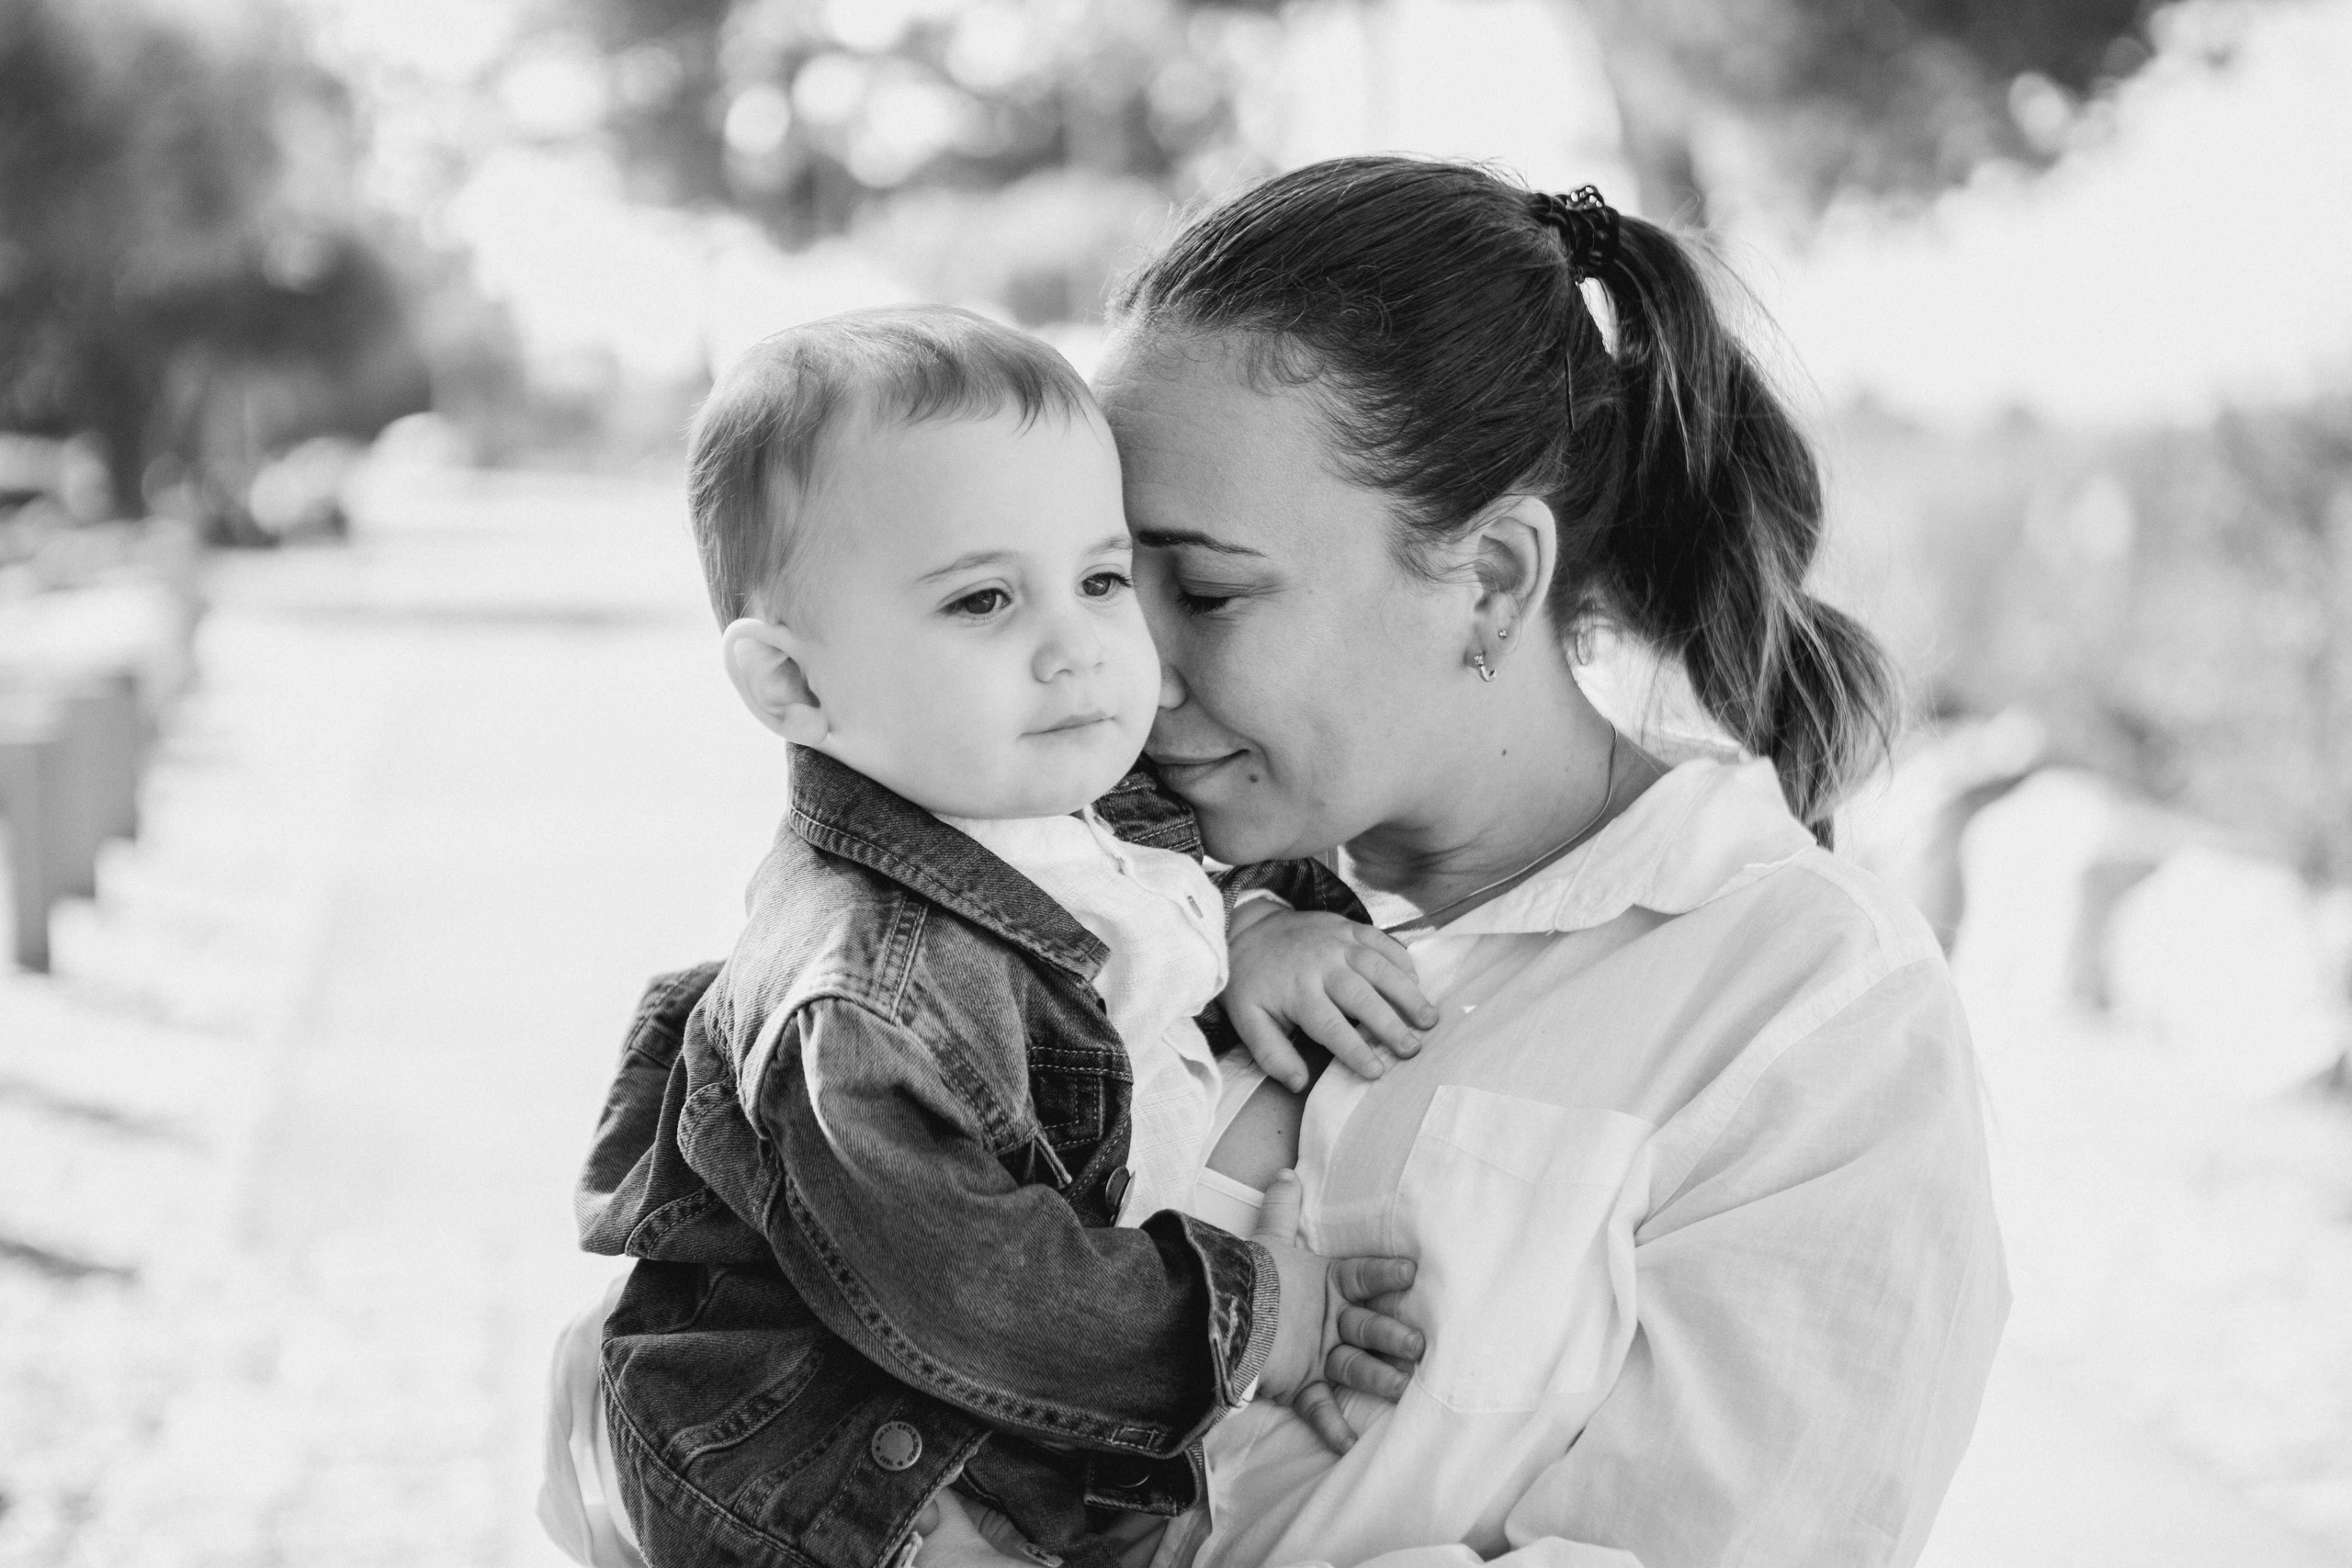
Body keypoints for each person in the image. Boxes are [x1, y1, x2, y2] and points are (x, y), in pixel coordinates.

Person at [955, 155, 2001, 1568]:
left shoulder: (1803, 1012)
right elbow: (661, 1385)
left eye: (1202, 590)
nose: (1127, 672)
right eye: (1101, 581)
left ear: (1495, 577)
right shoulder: (1061, 886)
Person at [540, 306, 1433, 1568]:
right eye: (982, 601)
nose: (1075, 647)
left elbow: (1153, 940)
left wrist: (1264, 923)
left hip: (1004, 1454)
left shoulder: (1090, 806)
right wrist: (1257, 1320)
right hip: (851, 1493)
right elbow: (983, 1289)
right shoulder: (860, 995)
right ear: (794, 687)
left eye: (1102, 579)